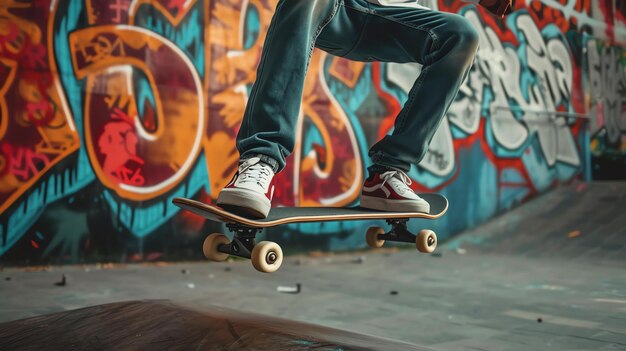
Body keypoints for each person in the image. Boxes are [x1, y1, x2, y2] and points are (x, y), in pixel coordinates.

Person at [217, 0, 513, 219]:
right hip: (338, 10)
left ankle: (387, 173)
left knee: (461, 34)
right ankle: (261, 159)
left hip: (396, 18)